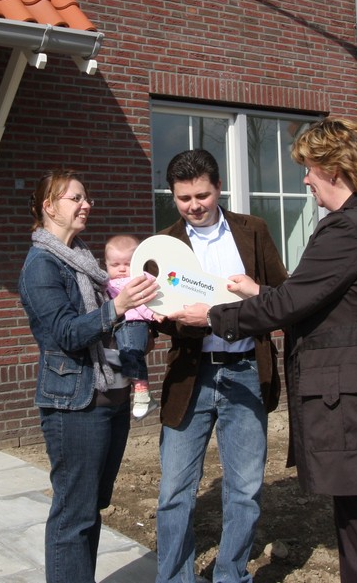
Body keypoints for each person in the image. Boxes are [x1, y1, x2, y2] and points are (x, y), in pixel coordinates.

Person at [170, 118, 357, 583]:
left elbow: (291, 305)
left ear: (335, 168)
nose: (305, 179)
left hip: (353, 401)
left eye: (309, 168)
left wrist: (213, 317)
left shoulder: (346, 229)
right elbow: (322, 302)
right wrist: (260, 293)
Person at [152, 149, 288, 583]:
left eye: (202, 196)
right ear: (173, 196)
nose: (194, 206)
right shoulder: (164, 244)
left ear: (219, 188)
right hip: (191, 375)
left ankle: (231, 575)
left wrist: (246, 297)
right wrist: (160, 315)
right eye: (184, 198)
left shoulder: (253, 230)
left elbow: (282, 298)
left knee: (245, 488)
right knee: (174, 491)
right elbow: (157, 316)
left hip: (246, 370)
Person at [18, 168, 159, 583]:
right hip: (75, 406)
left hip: (111, 398)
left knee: (91, 506)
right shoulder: (42, 266)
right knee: (73, 514)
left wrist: (139, 328)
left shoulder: (83, 260)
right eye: (76, 198)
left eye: (86, 198)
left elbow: (111, 326)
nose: (86, 205)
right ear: (49, 207)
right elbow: (65, 333)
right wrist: (117, 308)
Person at [105, 234, 159, 418]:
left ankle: (142, 393)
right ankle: (142, 393)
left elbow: (144, 302)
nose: (121, 269)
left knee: (131, 354)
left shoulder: (138, 280)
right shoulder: (106, 283)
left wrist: (153, 314)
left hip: (134, 323)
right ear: (106, 265)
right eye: (115, 264)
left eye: (127, 264)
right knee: (124, 357)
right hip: (118, 325)